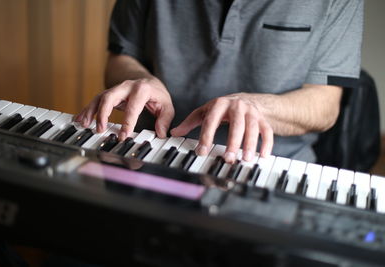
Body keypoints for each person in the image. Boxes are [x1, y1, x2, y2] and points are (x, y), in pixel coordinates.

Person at [75, 0, 364, 164]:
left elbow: (325, 105)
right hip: (147, 153)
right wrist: (141, 79)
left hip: (270, 167)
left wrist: (254, 106)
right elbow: (120, 58)